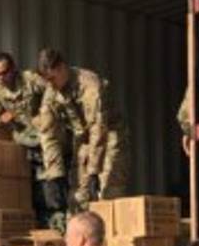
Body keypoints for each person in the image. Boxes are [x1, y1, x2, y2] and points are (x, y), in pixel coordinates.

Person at [36, 47, 129, 213]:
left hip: (109, 136)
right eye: (47, 80)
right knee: (78, 197)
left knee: (108, 191)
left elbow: (98, 128)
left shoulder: (89, 85)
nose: (50, 84)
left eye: (52, 78)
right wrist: (55, 175)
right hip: (83, 140)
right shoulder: (52, 91)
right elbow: (48, 133)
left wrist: (94, 171)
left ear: (62, 67)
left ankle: (109, 237)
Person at [0, 51, 66, 229]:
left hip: (44, 137)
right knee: (31, 186)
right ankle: (43, 222)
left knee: (51, 181)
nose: (1, 77)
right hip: (23, 140)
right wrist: (0, 117)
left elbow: (52, 89)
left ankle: (58, 218)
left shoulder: (29, 79)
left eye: (4, 72)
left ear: (13, 69)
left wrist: (44, 112)